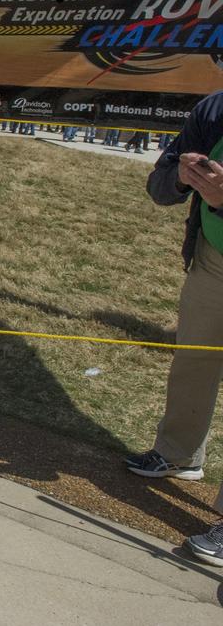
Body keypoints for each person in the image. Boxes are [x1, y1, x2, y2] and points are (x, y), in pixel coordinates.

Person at [125, 90, 223, 566]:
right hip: (213, 259)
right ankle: (181, 454)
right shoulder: (213, 109)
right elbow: (158, 184)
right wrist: (183, 179)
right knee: (195, 363)